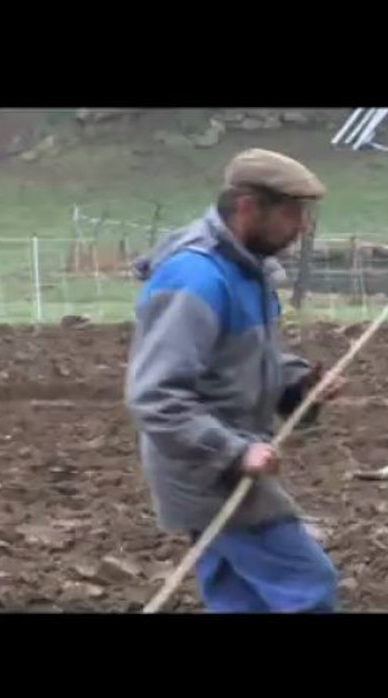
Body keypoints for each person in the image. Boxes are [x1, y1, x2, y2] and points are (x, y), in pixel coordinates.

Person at [125, 148, 343, 613]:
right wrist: (235, 451)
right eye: (291, 213)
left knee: (239, 598)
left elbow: (247, 357)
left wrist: (299, 384)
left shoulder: (247, 271)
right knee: (307, 586)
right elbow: (155, 397)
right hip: (208, 470)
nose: (302, 227)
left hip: (215, 463)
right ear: (248, 208)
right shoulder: (195, 278)